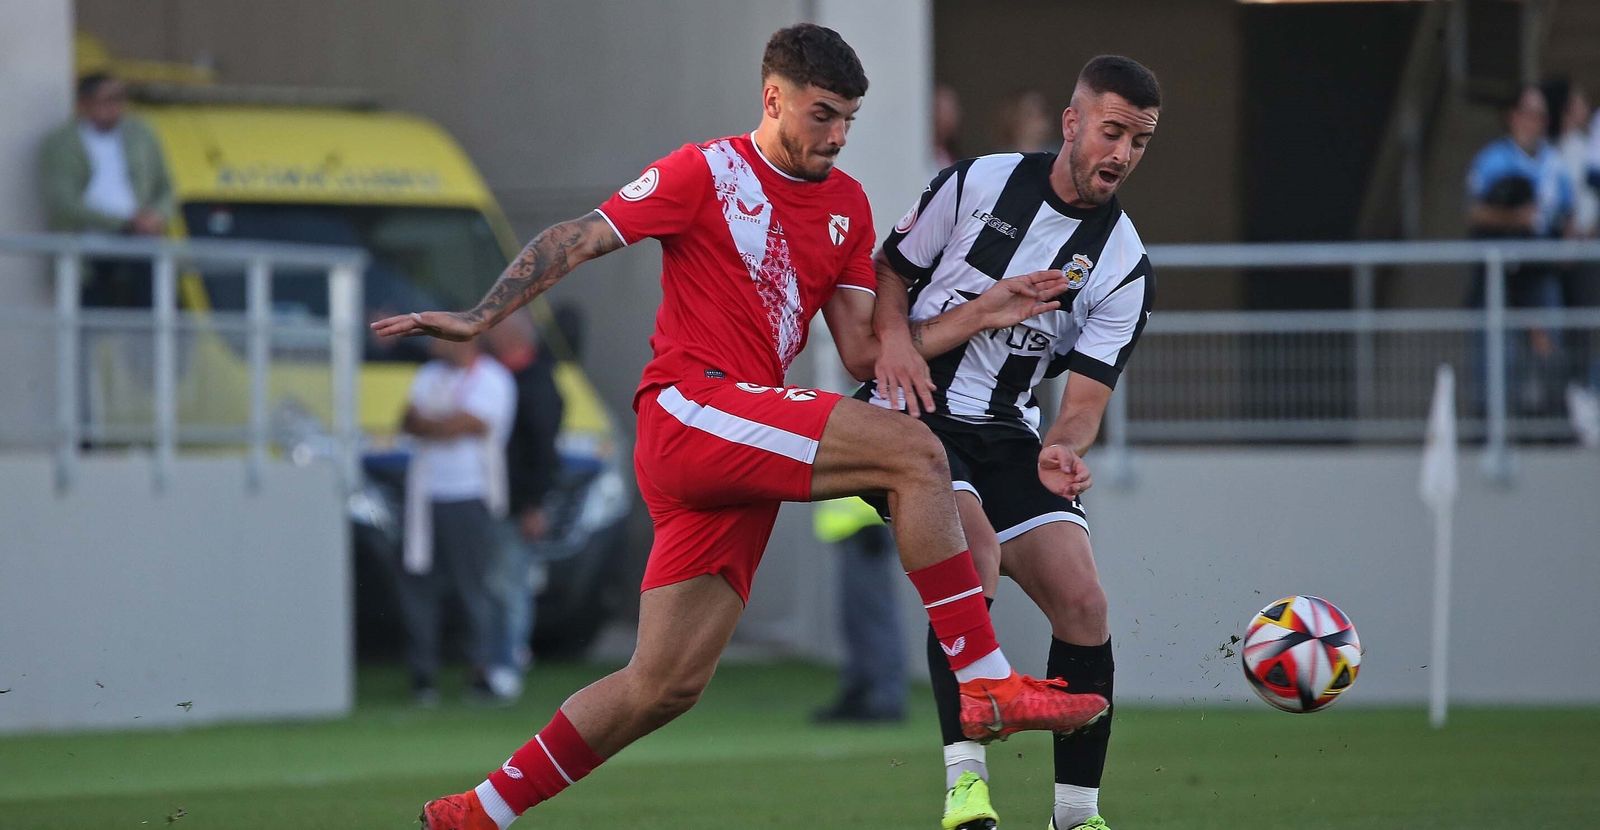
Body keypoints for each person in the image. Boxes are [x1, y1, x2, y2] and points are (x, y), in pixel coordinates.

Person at [374, 24, 1110, 830]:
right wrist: (480, 315)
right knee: (916, 452)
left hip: (739, 442)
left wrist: (985, 311)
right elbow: (578, 237)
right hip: (692, 409)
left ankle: (477, 813)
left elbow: (864, 348)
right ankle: (984, 679)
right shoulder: (704, 171)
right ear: (773, 97)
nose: (835, 136)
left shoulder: (845, 205)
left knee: (664, 686)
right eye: (822, 115)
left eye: (849, 121)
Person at [871, 55, 1161, 830]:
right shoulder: (977, 184)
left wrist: (1064, 446)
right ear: (1072, 124)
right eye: (1111, 132)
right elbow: (891, 272)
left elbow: (1086, 400)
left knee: (1085, 601)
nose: (1122, 155)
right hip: (912, 410)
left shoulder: (1125, 266)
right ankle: (966, 786)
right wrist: (895, 343)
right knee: (975, 553)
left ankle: (1077, 814)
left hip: (1007, 433)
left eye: (1139, 141)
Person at [398, 337, 517, 706]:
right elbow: (407, 421)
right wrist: (442, 422)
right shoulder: (429, 374)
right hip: (425, 493)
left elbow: (470, 424)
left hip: (469, 493)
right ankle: (423, 673)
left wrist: (432, 422)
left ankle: (480, 669)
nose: (433, 342)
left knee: (473, 585)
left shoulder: (493, 378)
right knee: (419, 584)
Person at [1466, 85, 1576, 416]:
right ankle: (1491, 425)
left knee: (1548, 345)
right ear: (1513, 117)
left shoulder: (1555, 163)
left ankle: (1550, 423)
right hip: (1499, 269)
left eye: (1542, 116)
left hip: (1539, 269)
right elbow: (1475, 212)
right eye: (1530, 114)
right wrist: (1515, 217)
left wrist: (1568, 243)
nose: (1537, 122)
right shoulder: (1492, 159)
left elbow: (1566, 215)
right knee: (1497, 352)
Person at [480, 313, 566, 700]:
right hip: (495, 499)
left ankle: (508, 664)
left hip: (517, 505)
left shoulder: (538, 385)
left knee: (508, 586)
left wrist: (535, 504)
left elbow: (543, 454)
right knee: (495, 585)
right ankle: (493, 661)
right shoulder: (501, 377)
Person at [38, 72, 175, 307]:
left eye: (120, 99)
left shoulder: (141, 135)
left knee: (149, 317)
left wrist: (156, 216)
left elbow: (165, 187)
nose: (115, 107)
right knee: (87, 322)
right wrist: (123, 223)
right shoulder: (61, 143)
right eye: (108, 99)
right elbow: (63, 202)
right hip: (87, 252)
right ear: (84, 104)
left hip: (139, 246)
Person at [811, 497, 906, 723]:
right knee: (857, 621)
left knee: (875, 619)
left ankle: (885, 699)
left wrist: (876, 522)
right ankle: (860, 694)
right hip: (854, 530)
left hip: (869, 528)